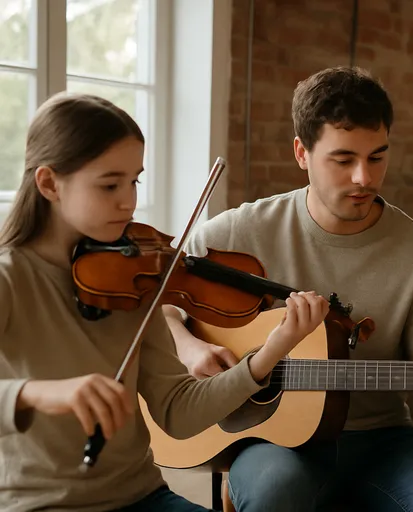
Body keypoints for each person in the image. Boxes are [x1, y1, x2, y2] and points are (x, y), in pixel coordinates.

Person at [165, 66, 413, 512]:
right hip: (270, 438)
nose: (364, 179)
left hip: (381, 438)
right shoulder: (237, 233)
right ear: (302, 152)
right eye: (343, 159)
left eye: (377, 157)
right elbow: (158, 305)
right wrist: (189, 348)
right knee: (278, 491)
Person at [0, 92, 329, 512]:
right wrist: (36, 395)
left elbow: (178, 411)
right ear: (49, 183)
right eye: (109, 184)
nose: (129, 201)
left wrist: (271, 352)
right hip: (40, 503)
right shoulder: (10, 276)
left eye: (134, 181)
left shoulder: (133, 277)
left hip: (141, 496)